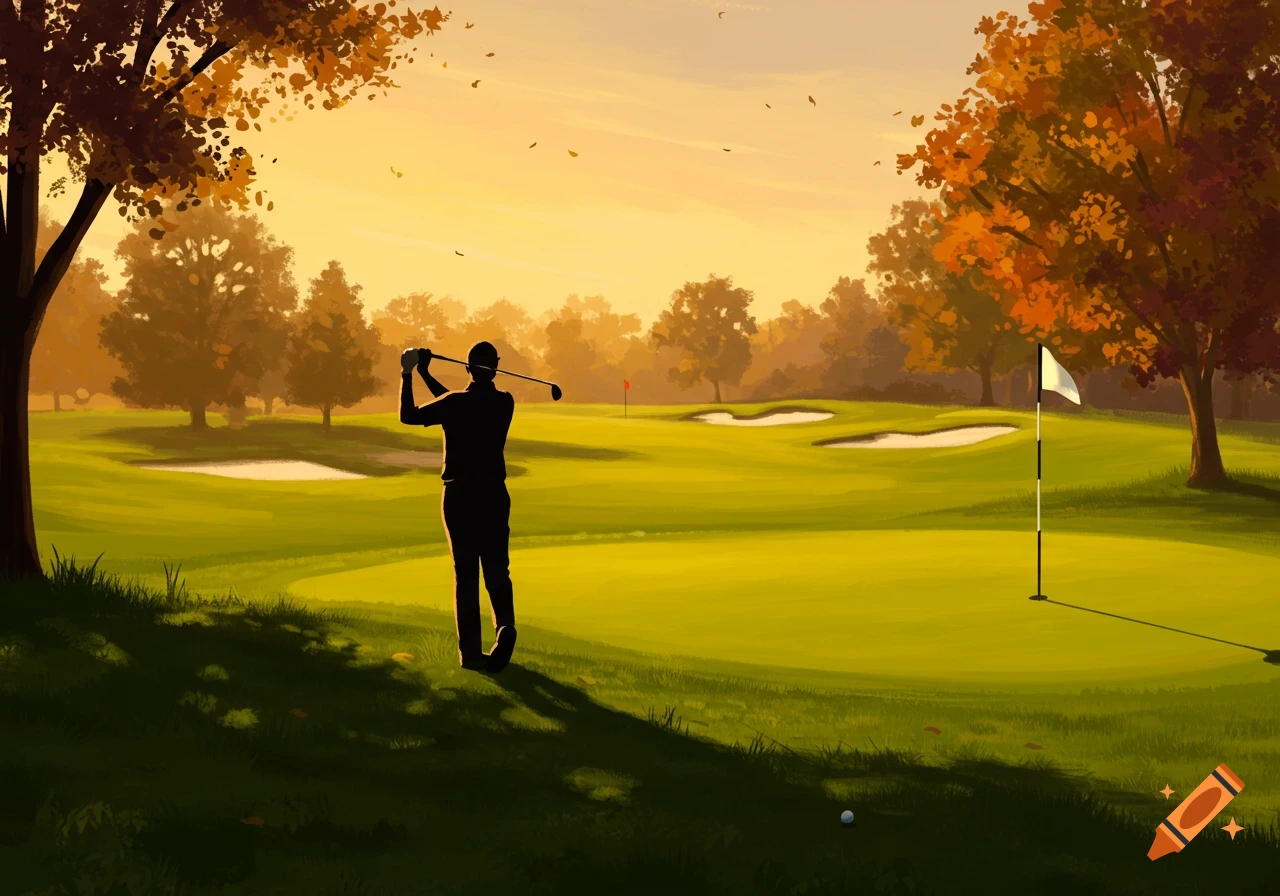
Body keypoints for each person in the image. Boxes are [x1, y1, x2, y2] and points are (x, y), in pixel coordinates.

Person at [399, 342, 517, 672]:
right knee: (497, 569)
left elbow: (411, 415)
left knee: (465, 574)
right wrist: (426, 372)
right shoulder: (504, 402)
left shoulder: (455, 405)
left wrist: (408, 372)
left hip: (461, 496)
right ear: (496, 366)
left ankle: (471, 654)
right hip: (494, 495)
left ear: (467, 368)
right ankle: (505, 626)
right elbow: (454, 402)